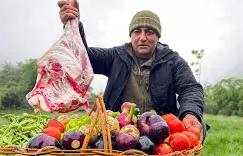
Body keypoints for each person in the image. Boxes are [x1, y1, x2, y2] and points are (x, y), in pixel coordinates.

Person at [57, 0, 209, 142]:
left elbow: (190, 88)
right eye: (137, 31)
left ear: (157, 36)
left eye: (149, 32)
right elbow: (85, 57)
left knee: (197, 123)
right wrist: (74, 25)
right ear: (131, 35)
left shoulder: (173, 61)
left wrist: (191, 112)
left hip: (160, 133)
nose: (142, 37)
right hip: (119, 132)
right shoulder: (116, 56)